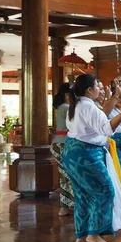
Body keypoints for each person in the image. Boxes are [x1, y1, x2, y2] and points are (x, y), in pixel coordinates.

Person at [63, 74, 121, 242]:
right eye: (98, 86)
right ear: (90, 90)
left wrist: (114, 97)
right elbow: (107, 127)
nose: (100, 89)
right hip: (86, 154)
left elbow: (101, 115)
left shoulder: (79, 105)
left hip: (72, 151)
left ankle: (81, 235)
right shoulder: (88, 107)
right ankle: (94, 233)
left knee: (83, 194)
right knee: (104, 191)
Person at [50, 82, 75, 217]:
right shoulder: (66, 107)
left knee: (64, 177)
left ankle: (64, 207)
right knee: (70, 175)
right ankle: (72, 205)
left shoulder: (61, 107)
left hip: (59, 144)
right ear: (67, 94)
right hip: (63, 144)